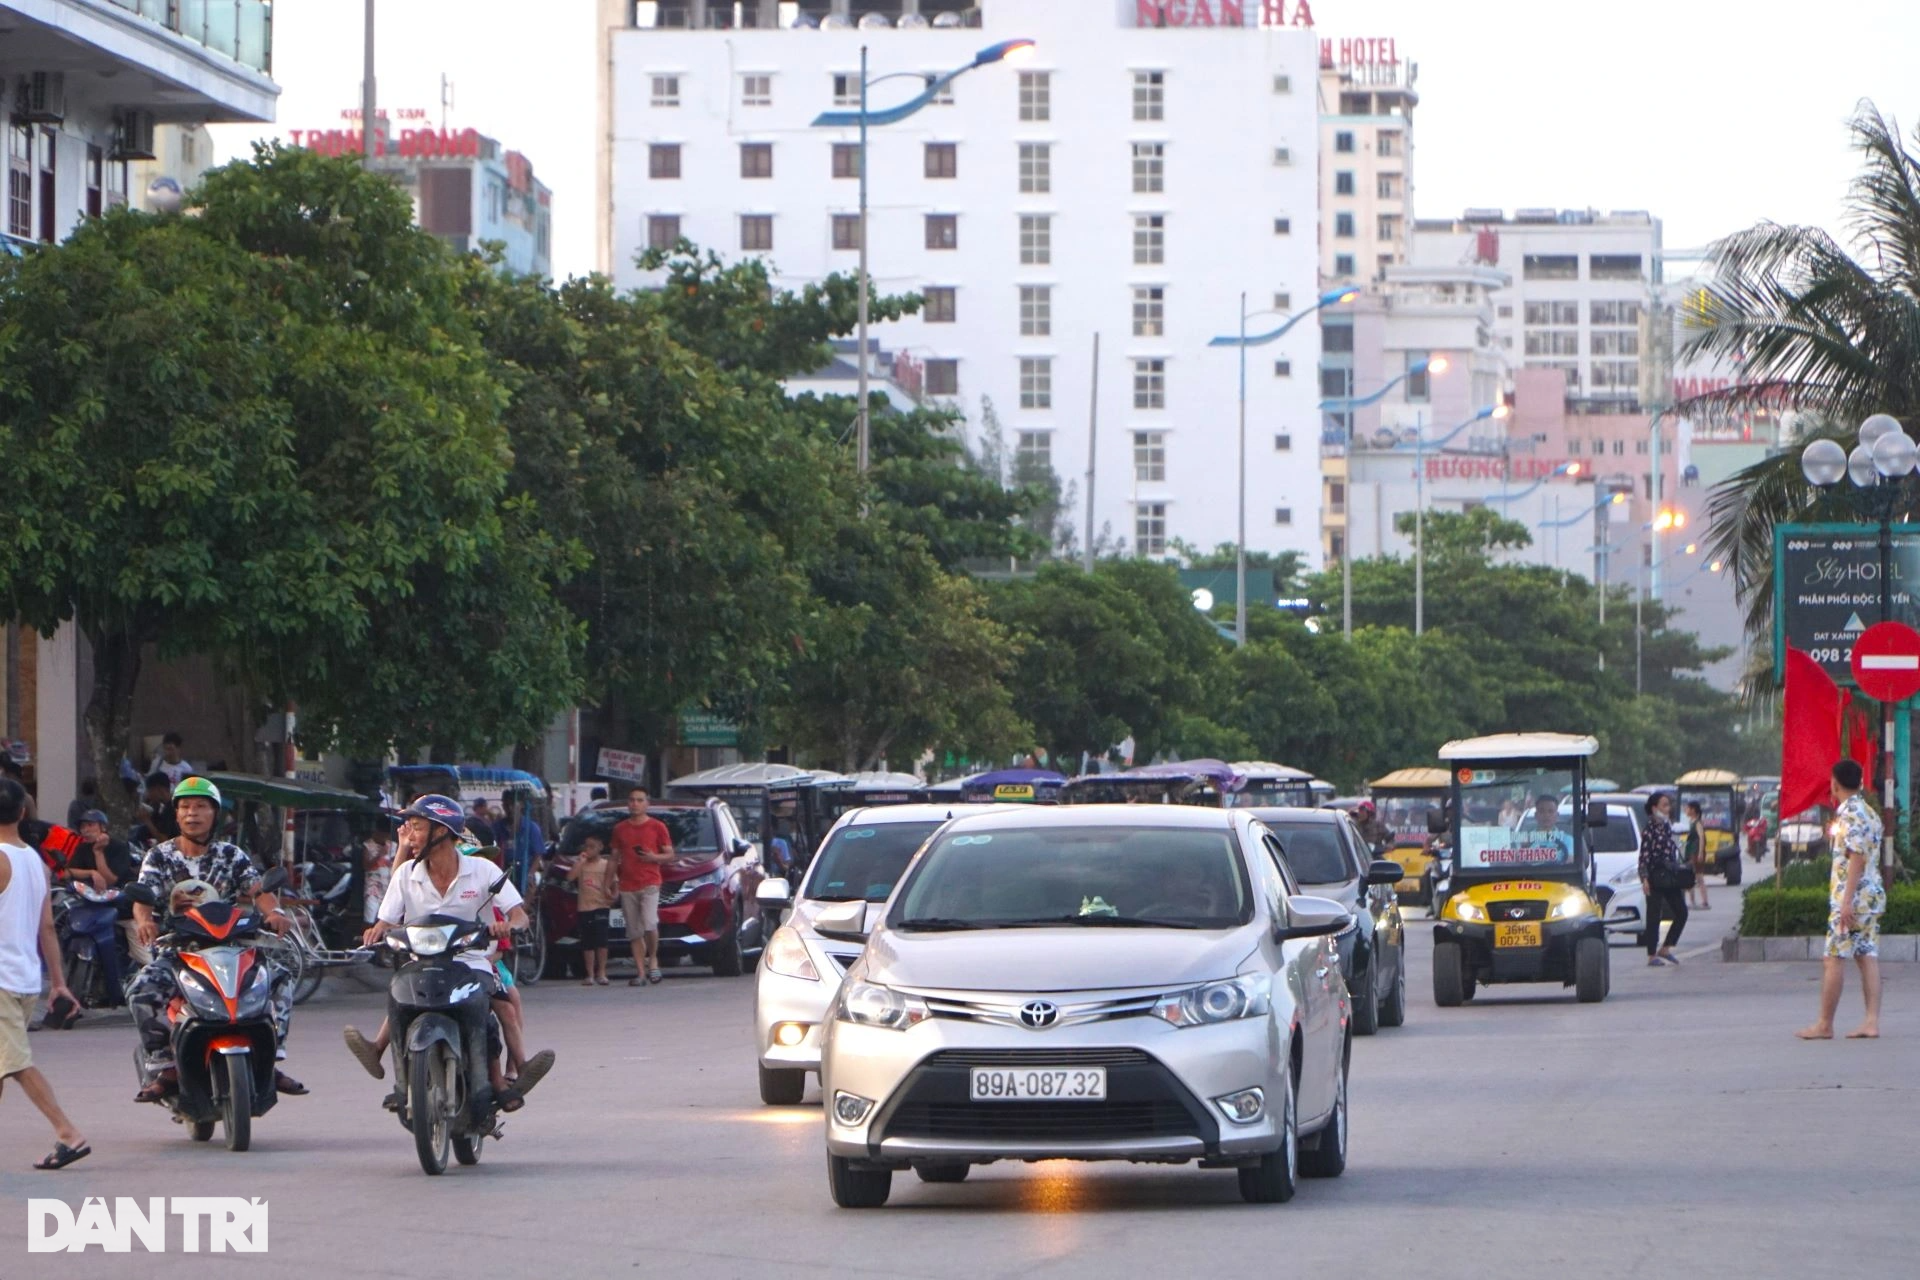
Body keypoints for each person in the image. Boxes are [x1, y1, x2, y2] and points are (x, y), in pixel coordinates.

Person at [353, 796, 554, 1109]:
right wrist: (377, 930)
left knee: (491, 1009)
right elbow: (386, 919)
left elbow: (519, 914)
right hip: (422, 961)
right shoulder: (406, 874)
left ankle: (503, 1078)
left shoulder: (483, 870)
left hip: (471, 961)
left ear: (441, 831)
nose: (410, 837)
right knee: (399, 997)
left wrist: (508, 926)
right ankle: (399, 1079)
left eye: (418, 828)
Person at [126, 776, 306, 1102]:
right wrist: (145, 921)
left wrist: (275, 914)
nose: (192, 813)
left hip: (230, 947)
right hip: (177, 950)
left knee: (278, 979)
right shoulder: (159, 856)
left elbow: (259, 891)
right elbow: (144, 898)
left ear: (215, 813)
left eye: (200, 806)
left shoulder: (231, 855)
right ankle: (165, 1067)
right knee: (142, 990)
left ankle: (270, 1058)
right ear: (176, 814)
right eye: (184, 807)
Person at [0, 778, 92, 1169]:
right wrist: (58, 982)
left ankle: (68, 1133)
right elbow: (48, 928)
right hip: (24, 979)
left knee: (16, 1063)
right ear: (23, 812)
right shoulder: (37, 862)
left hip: (0, 980)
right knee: (3, 1062)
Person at [1798, 760, 1886, 1041]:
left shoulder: (1849, 814)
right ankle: (1870, 1021)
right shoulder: (1870, 813)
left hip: (1852, 898)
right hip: (1871, 895)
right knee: (1867, 956)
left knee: (1833, 958)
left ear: (1835, 783)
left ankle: (1825, 1024)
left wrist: (1846, 901)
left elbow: (1856, 855)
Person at [62, 811, 136, 1007]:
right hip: (91, 903)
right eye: (83, 827)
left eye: (91, 826)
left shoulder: (119, 847)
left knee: (144, 953)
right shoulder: (82, 848)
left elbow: (111, 879)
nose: (86, 831)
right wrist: (91, 872)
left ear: (103, 827)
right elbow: (68, 871)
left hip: (120, 907)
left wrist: (98, 854)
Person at [612, 789, 676, 986]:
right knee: (634, 931)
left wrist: (653, 858)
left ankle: (653, 959)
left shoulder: (657, 827)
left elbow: (670, 854)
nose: (635, 804)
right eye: (631, 800)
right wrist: (610, 883)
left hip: (650, 882)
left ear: (647, 803)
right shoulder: (620, 828)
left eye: (639, 800)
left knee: (649, 923)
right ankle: (640, 972)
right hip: (627, 884)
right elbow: (614, 858)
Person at [1639, 791, 1688, 967]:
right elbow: (1644, 856)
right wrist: (1644, 878)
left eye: (1668, 805)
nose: (1668, 809)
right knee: (1654, 915)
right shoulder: (1649, 829)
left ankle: (1666, 948)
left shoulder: (1667, 827)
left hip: (1670, 876)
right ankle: (1652, 955)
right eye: (1664, 805)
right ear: (1654, 808)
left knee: (1681, 912)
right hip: (1654, 876)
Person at [568, 833, 617, 986]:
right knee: (587, 942)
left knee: (601, 941)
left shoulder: (605, 864)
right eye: (586, 847)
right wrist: (580, 862)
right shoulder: (582, 865)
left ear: (600, 848)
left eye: (592, 847)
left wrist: (613, 897)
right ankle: (589, 973)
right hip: (585, 907)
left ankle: (601, 972)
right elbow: (570, 877)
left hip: (601, 905)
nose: (588, 850)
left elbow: (615, 883)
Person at [1516, 795, 1575, 862]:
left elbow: (1569, 863)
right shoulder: (1524, 840)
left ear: (1557, 815)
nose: (1546, 815)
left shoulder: (1567, 840)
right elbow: (1517, 864)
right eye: (1542, 811)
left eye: (1550, 811)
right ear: (1536, 815)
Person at [133, 773, 177, 847]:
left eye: (150, 791)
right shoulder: (161, 805)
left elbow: (164, 840)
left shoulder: (171, 809)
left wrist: (147, 821)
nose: (149, 795)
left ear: (159, 789)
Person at [1683, 800, 1712, 911]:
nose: (1686, 810)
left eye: (1688, 808)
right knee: (1691, 876)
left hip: (1695, 853)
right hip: (1691, 852)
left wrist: (1700, 852)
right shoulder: (1692, 822)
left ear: (1693, 810)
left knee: (1698, 877)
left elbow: (1701, 838)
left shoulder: (1698, 823)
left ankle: (1704, 901)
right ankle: (1693, 901)